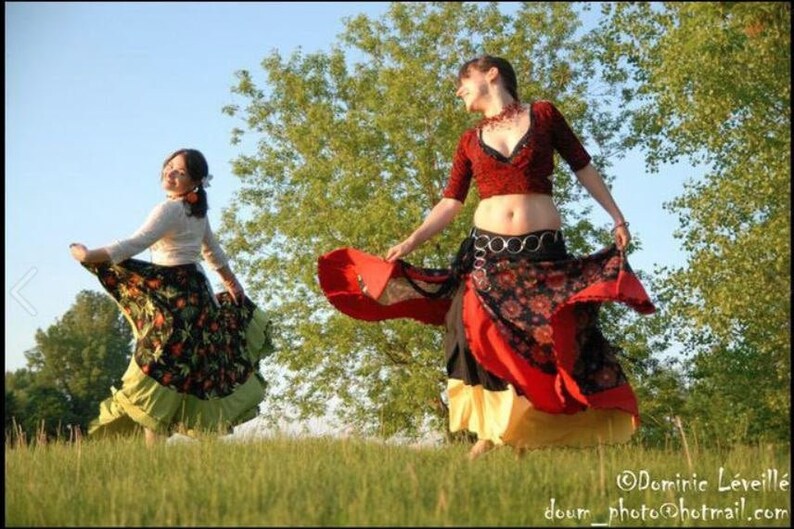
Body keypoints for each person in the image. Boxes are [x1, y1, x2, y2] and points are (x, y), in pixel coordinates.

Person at [317, 55, 655, 459]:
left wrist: (616, 216)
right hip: (489, 256)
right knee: (472, 330)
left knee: (547, 341)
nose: (458, 90)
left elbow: (583, 167)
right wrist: (410, 242)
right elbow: (449, 203)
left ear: (491, 75)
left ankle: (520, 435)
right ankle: (492, 433)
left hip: (542, 253)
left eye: (464, 80)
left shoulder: (544, 115)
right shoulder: (469, 141)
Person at [70, 148, 273, 447]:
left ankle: (156, 459)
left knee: (159, 373)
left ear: (194, 182)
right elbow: (212, 253)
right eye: (169, 166)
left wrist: (89, 256)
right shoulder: (196, 211)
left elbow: (136, 243)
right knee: (198, 375)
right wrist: (233, 286)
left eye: (179, 171)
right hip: (199, 299)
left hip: (175, 300)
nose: (170, 173)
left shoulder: (172, 209)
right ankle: (199, 453)